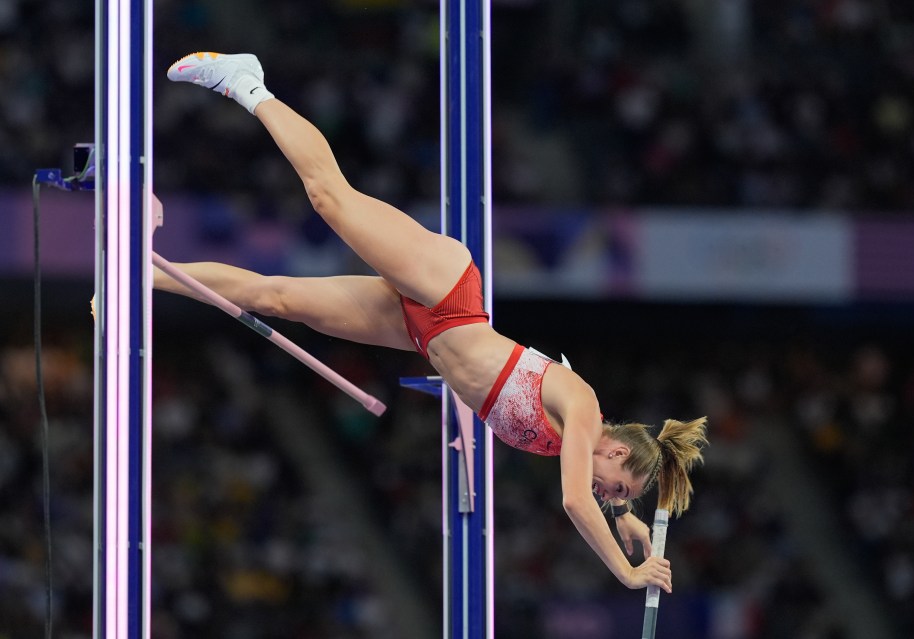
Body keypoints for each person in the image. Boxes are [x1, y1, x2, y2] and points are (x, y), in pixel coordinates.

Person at [159, 52, 708, 592]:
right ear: (614, 452)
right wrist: (627, 571)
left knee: (274, 297)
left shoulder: (585, 438)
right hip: (447, 292)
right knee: (330, 198)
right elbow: (574, 498)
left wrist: (627, 518)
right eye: (617, 490)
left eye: (617, 496)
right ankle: (247, 83)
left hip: (419, 332)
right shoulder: (584, 408)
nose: (611, 496)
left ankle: (140, 274)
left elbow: (594, 476)